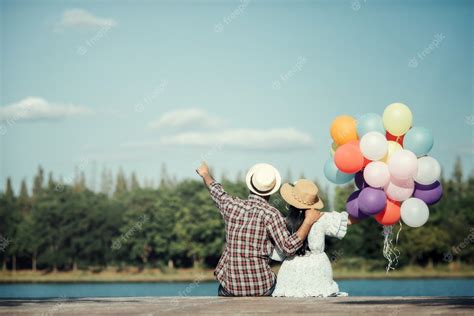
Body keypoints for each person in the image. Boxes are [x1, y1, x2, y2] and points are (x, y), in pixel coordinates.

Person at [196, 162, 323, 297]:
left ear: (250, 184)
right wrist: (308, 221)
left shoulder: (230, 205)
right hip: (262, 288)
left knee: (223, 285)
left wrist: (205, 173)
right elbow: (288, 248)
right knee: (276, 280)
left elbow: (215, 189)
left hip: (230, 288)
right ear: (271, 190)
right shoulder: (272, 214)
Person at [271, 179, 356, 297]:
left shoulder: (284, 221)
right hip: (318, 271)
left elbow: (279, 253)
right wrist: (368, 207)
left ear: (290, 202)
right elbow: (350, 220)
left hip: (290, 273)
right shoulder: (322, 217)